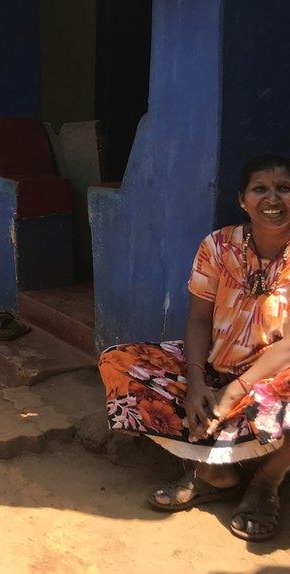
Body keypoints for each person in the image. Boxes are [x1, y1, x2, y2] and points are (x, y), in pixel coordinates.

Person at [99, 154, 290, 541]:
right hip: (217, 366)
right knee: (119, 362)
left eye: (285, 188)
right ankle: (216, 475)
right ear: (242, 199)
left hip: (272, 377)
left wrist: (235, 391)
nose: (274, 198)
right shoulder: (219, 246)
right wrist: (197, 380)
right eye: (261, 189)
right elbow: (199, 319)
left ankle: (266, 484)